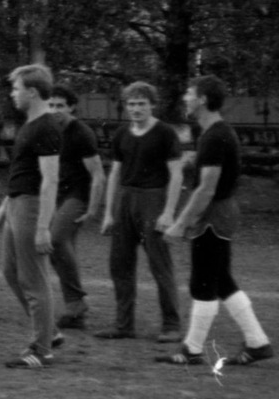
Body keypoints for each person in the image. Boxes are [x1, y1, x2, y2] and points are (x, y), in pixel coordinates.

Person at [158, 76, 272, 367]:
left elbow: (206, 188)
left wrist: (180, 223)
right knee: (222, 281)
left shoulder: (214, 136)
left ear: (203, 100)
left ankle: (192, 349)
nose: (185, 97)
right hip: (220, 213)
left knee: (204, 282)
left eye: (189, 93)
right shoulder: (213, 133)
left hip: (214, 216)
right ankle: (258, 342)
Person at [95, 82, 186, 343]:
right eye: (131, 104)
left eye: (141, 104)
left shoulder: (165, 133)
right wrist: (109, 213)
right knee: (120, 265)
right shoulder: (122, 133)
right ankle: (124, 325)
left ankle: (171, 325)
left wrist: (168, 213)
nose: (136, 109)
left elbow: (177, 173)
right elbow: (115, 173)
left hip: (153, 200)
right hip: (125, 200)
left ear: (152, 105)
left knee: (160, 265)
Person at [0, 64, 64, 368]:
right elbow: (22, 171)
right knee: (11, 272)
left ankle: (41, 349)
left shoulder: (46, 126)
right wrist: (4, 205)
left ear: (32, 92)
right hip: (16, 204)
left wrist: (43, 226)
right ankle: (50, 331)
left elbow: (50, 180)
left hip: (31, 207)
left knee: (33, 279)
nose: (13, 94)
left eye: (16, 88)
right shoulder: (30, 124)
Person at [44, 83, 104, 329]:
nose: (55, 110)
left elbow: (98, 174)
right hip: (56, 196)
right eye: (51, 105)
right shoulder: (46, 130)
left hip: (77, 195)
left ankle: (77, 302)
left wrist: (93, 209)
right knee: (52, 247)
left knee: (56, 239)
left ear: (71, 107)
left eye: (60, 106)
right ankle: (75, 309)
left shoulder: (81, 132)